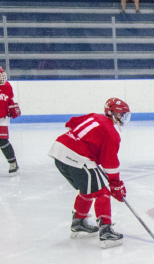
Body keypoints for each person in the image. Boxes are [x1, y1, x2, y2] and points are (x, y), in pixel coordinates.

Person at [48, 98, 130, 248]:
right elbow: (110, 163)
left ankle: (79, 222)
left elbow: (71, 124)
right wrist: (115, 184)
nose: (123, 118)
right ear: (113, 113)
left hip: (59, 151)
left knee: (88, 189)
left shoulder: (94, 116)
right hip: (77, 158)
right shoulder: (112, 134)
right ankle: (106, 232)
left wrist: (85, 147)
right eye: (121, 114)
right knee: (102, 192)